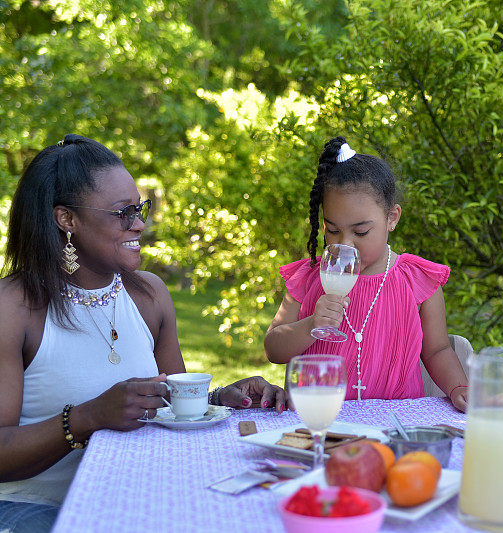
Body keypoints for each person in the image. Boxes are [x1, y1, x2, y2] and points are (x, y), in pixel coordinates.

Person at [0, 134, 288, 532]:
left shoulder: (149, 294)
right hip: (31, 508)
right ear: (66, 219)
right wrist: (86, 418)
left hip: (131, 492)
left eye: (140, 208)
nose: (139, 223)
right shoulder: (14, 308)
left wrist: (220, 398)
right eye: (123, 212)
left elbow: (166, 406)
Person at [264, 136, 469, 412]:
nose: (345, 244)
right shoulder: (310, 278)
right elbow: (273, 349)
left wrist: (459, 387)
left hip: (397, 424)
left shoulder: (417, 280)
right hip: (320, 420)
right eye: (332, 230)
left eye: (361, 232)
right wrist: (311, 324)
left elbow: (437, 351)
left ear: (392, 218)